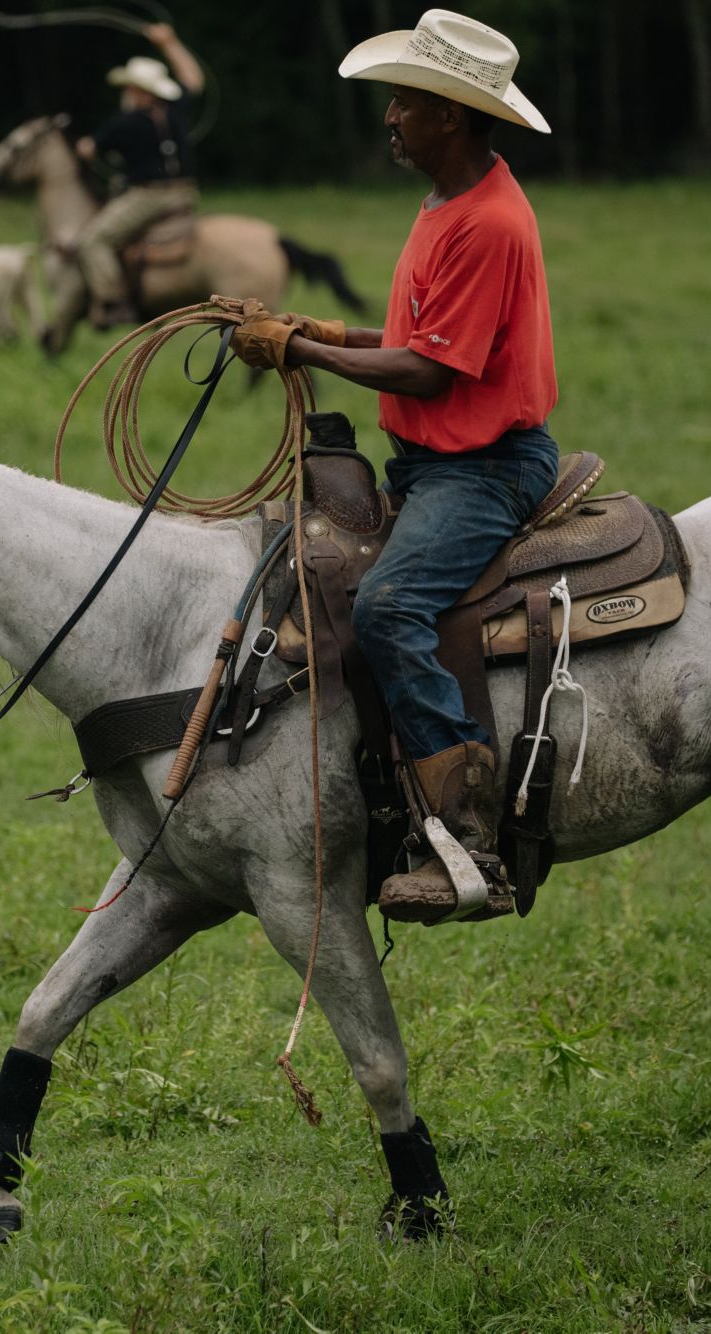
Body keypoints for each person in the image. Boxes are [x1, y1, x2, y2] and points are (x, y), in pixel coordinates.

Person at [226, 9, 558, 922]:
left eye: (404, 101)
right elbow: (420, 337)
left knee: (388, 605)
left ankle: (468, 835)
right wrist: (321, 330)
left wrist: (298, 352)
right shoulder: (449, 202)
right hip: (432, 464)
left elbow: (429, 370)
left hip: (484, 470)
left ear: (449, 114)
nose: (391, 117)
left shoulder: (488, 223)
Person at [54, 22, 205, 335]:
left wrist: (82, 146)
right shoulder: (175, 109)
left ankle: (114, 302)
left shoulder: (125, 124)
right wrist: (170, 43)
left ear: (141, 92)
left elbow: (89, 150)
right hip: (187, 192)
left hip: (150, 196)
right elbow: (194, 79)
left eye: (130, 88)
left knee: (94, 240)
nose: (126, 93)